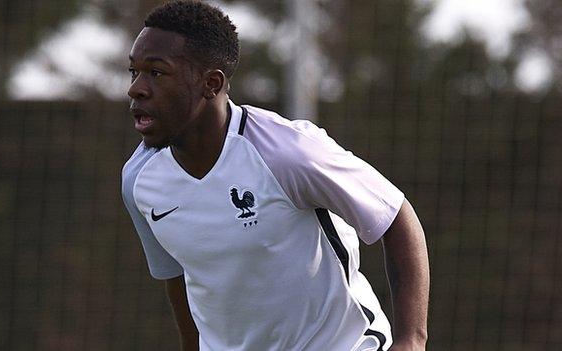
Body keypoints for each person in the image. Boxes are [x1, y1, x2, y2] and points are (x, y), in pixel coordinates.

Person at [121, 1, 429, 350]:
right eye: (134, 72)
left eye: (156, 73)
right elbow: (177, 277)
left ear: (211, 83)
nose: (136, 88)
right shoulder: (139, 181)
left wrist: (411, 340)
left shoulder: (288, 153)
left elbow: (395, 216)